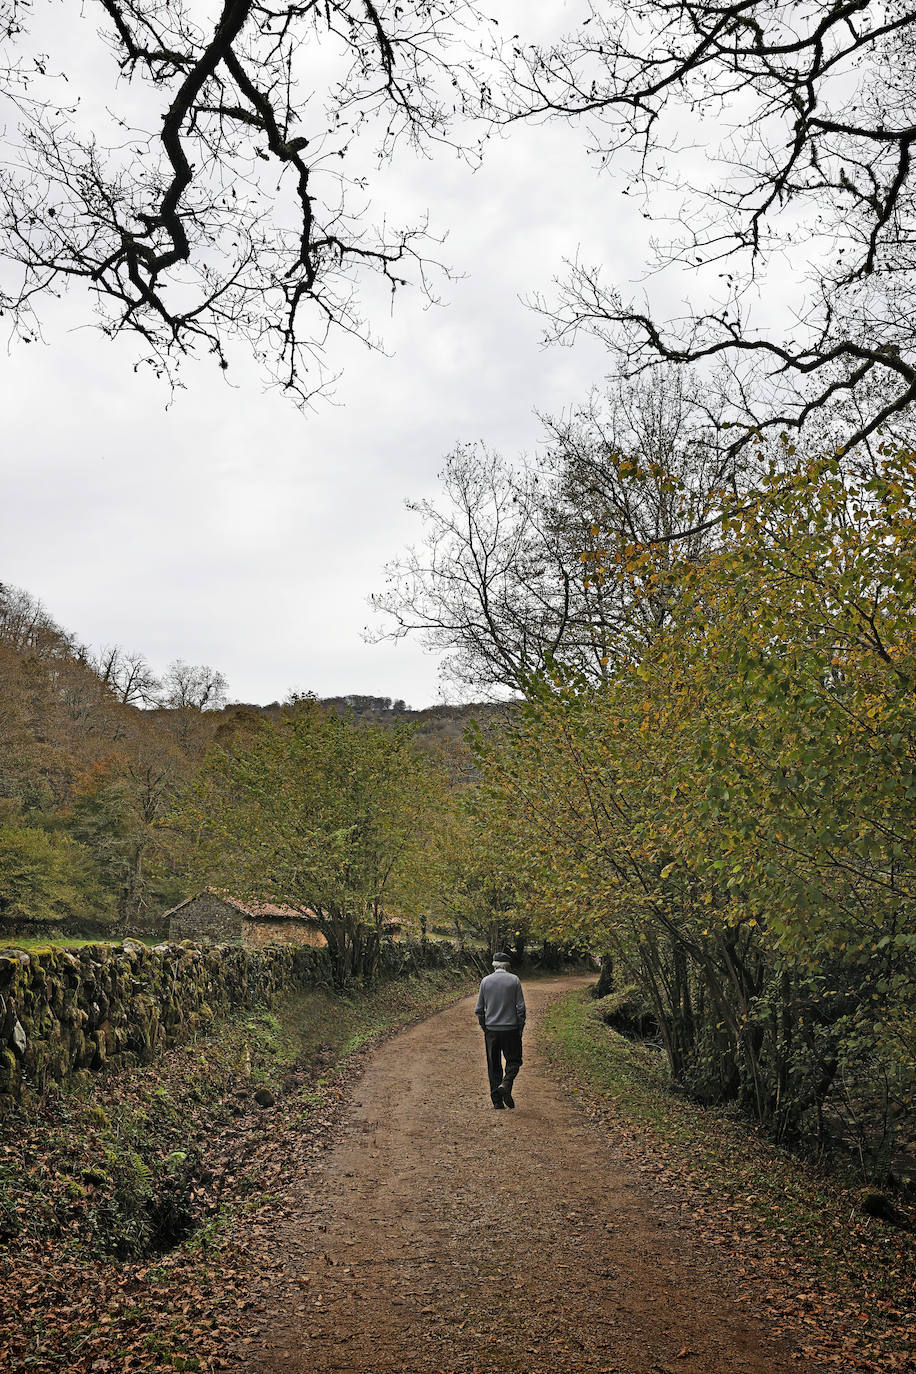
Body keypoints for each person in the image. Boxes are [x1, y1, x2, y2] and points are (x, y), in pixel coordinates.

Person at [474, 952, 526, 1109]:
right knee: (514, 1060)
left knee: (493, 1064)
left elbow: (479, 1009)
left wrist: (485, 1027)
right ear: (507, 965)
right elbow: (521, 1009)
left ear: (494, 965)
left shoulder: (485, 981)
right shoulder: (514, 980)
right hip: (510, 1029)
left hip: (491, 1030)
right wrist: (520, 1028)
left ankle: (497, 1102)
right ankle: (506, 1083)